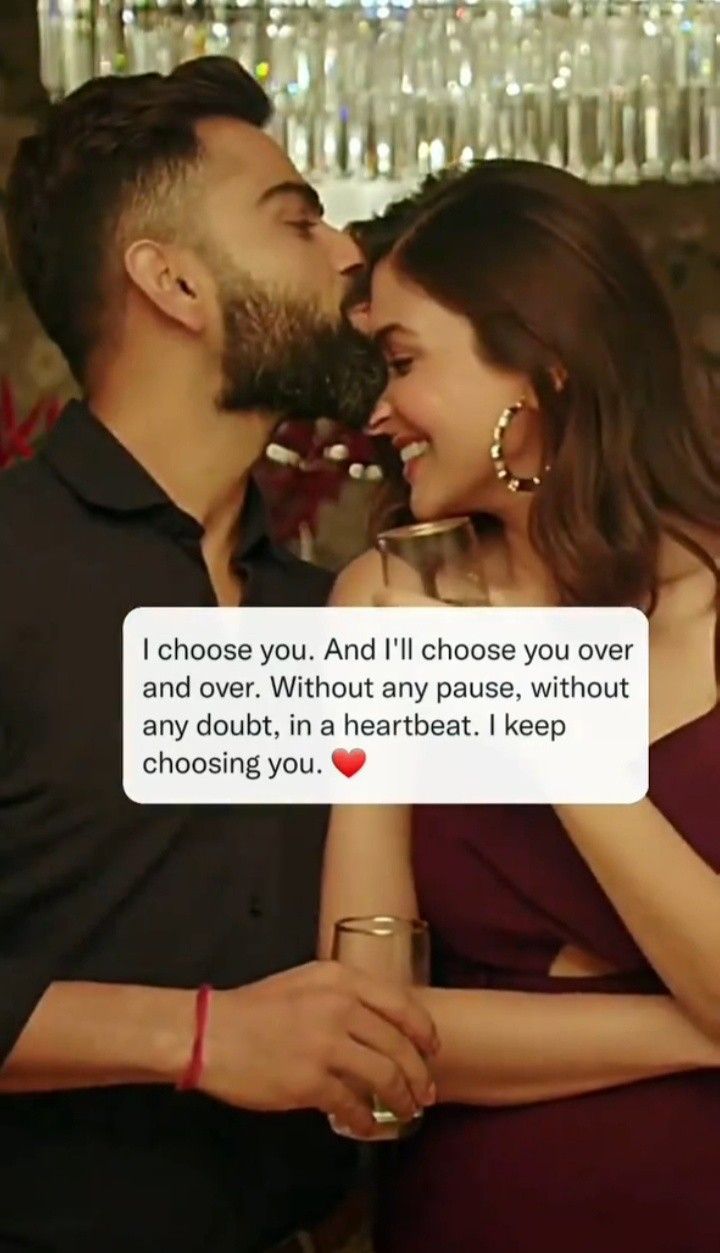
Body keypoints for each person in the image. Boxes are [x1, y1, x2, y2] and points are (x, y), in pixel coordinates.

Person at [0, 57, 439, 1253]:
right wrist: (202, 1035)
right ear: (175, 280)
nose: (348, 250)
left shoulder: (328, 613)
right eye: (295, 218)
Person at [322, 159, 720, 1253]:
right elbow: (366, 1025)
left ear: (539, 366)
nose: (377, 409)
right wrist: (691, 1027)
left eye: (403, 362)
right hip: (482, 1210)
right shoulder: (382, 604)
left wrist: (536, 715)